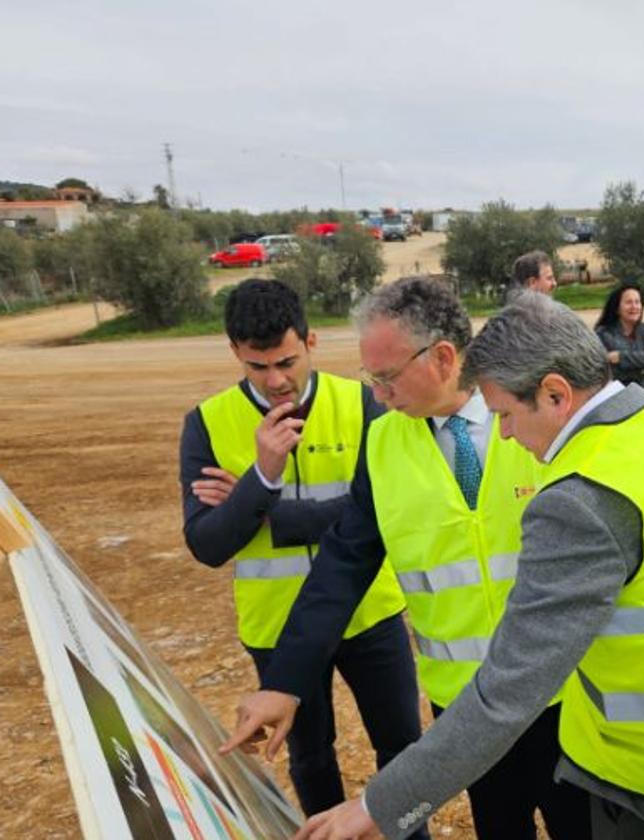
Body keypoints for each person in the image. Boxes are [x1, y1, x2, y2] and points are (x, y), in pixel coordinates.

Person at [277, 291, 644, 840]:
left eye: (506, 415)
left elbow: (509, 689)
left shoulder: (583, 497)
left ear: (554, 394)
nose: (504, 435)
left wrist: (382, 807)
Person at [221, 277, 590, 840]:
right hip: (468, 713)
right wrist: (286, 681)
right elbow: (343, 565)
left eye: (387, 377)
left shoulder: (541, 415)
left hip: (570, 697)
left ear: (443, 357)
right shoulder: (383, 442)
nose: (377, 393)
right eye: (371, 377)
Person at [179, 278, 422, 818]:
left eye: (287, 362)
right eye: (257, 367)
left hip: (370, 614)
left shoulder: (364, 404)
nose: (276, 381)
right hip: (277, 628)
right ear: (235, 354)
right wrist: (263, 475)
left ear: (311, 342)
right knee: (311, 758)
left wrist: (261, 508)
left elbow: (383, 512)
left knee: (402, 748)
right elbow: (207, 545)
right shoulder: (207, 424)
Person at [594, 282, 644, 393]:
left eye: (637, 302)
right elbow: (606, 371)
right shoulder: (603, 334)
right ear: (617, 308)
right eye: (628, 302)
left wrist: (621, 357)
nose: (634, 306)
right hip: (620, 399)